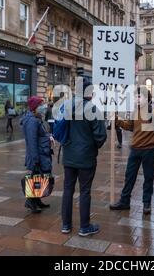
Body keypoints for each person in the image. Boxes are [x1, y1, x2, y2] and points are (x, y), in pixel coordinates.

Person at [110, 88, 154, 215]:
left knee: (148, 178)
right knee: (129, 177)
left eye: (139, 97)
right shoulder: (135, 112)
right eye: (135, 97)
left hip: (149, 150)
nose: (137, 99)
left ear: (147, 98)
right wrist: (116, 119)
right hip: (134, 149)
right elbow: (129, 126)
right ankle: (124, 201)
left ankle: (146, 203)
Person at [61, 78, 107, 236]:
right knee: (85, 191)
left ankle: (66, 225)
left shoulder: (66, 106)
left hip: (68, 155)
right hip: (86, 156)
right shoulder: (92, 109)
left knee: (67, 189)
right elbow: (101, 136)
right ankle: (84, 227)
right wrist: (93, 146)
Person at [21, 96, 53, 213]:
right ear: (35, 107)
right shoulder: (32, 121)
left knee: (38, 178)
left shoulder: (37, 118)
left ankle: (37, 200)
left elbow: (41, 135)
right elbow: (32, 141)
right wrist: (35, 159)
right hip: (37, 155)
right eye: (41, 105)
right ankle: (30, 202)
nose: (43, 107)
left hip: (41, 153)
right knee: (35, 178)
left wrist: (48, 137)